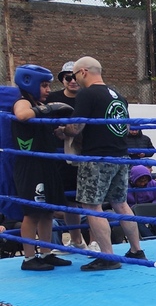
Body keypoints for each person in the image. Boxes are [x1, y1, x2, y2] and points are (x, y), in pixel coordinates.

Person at [60, 56, 144, 270]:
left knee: (91, 206)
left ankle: (108, 256)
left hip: (97, 158)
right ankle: (137, 250)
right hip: (120, 155)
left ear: (83, 72)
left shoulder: (87, 93)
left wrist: (62, 130)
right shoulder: (118, 95)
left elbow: (76, 127)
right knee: (120, 203)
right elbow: (125, 128)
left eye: (75, 75)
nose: (74, 80)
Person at [10, 65, 73, 271]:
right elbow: (22, 115)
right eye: (44, 85)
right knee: (32, 212)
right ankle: (29, 258)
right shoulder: (23, 102)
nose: (48, 90)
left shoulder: (38, 104)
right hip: (31, 165)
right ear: (30, 83)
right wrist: (47, 109)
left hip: (47, 162)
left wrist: (60, 128)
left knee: (47, 211)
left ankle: (46, 253)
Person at [47, 61, 86, 251]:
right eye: (68, 77)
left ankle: (96, 242)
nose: (72, 81)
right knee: (67, 200)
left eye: (75, 77)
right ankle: (76, 240)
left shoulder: (89, 97)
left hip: (86, 154)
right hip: (60, 156)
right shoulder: (52, 99)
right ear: (63, 80)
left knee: (91, 200)